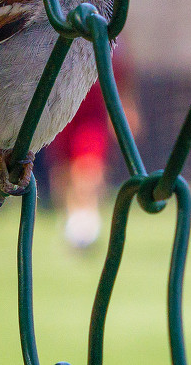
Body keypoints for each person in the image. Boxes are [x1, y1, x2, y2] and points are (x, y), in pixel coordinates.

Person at [46, 48, 141, 249]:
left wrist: (126, 106)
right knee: (63, 169)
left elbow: (122, 74)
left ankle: (87, 217)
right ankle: (71, 218)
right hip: (61, 106)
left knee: (89, 167)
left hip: (92, 114)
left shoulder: (112, 39)